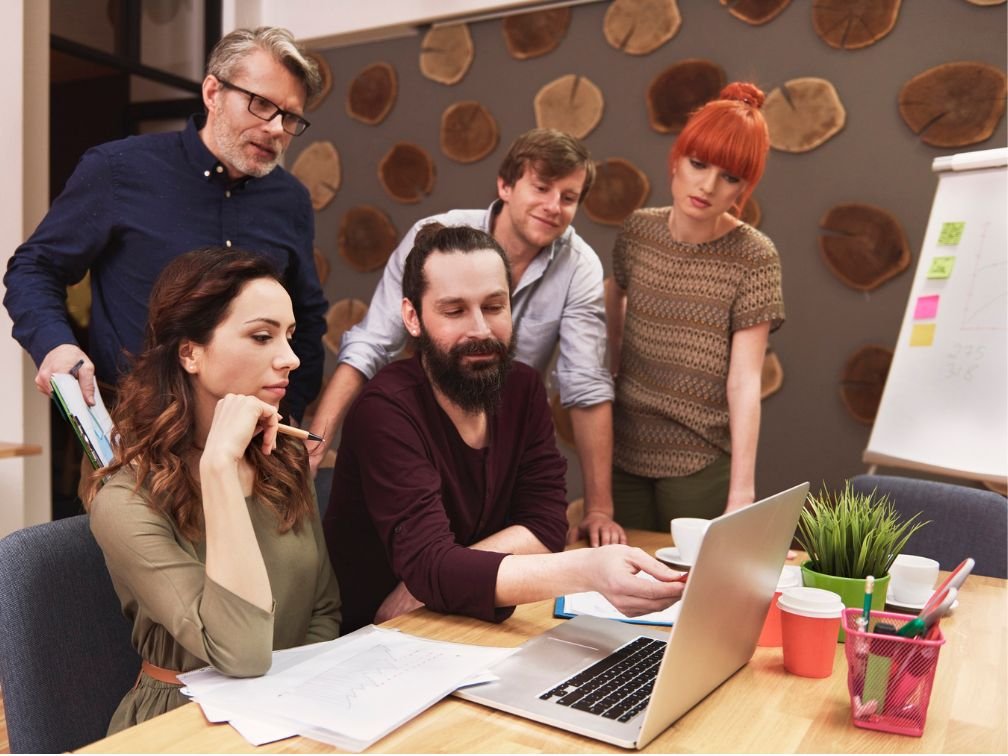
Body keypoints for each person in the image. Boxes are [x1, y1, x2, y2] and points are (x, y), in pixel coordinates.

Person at [323, 223, 683, 633]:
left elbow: (547, 523)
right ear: (413, 317)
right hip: (377, 636)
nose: (480, 330)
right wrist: (587, 569)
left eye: (494, 306)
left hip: (455, 618)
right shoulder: (384, 411)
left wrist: (432, 580)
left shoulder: (523, 388)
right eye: (455, 311)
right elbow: (432, 563)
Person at [309, 129, 626, 547]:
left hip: (497, 438)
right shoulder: (437, 236)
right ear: (505, 186)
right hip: (428, 425)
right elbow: (370, 345)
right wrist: (313, 447)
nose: (554, 206)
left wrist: (600, 508)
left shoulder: (578, 265)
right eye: (542, 187)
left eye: (568, 198)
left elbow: (584, 383)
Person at [3, 26, 326, 424]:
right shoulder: (118, 170)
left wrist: (292, 410)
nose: (276, 128)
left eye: (290, 116)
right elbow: (34, 268)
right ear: (213, 93)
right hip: (136, 433)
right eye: (261, 104)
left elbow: (308, 313)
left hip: (255, 437)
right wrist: (55, 345)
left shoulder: (290, 198)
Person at [85, 248, 341, 734]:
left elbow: (323, 608)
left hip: (289, 710)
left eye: (288, 337)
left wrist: (300, 707)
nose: (291, 358)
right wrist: (219, 466)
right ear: (190, 352)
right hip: (181, 726)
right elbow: (241, 651)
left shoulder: (282, 460)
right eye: (262, 336)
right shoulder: (125, 499)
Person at [607, 82, 785, 531]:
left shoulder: (753, 256)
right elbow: (611, 310)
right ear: (676, 159)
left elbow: (745, 381)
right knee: (617, 587)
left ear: (745, 187)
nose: (707, 185)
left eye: (730, 177)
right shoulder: (638, 232)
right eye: (698, 163)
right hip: (623, 451)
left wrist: (741, 493)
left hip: (700, 461)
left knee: (689, 589)